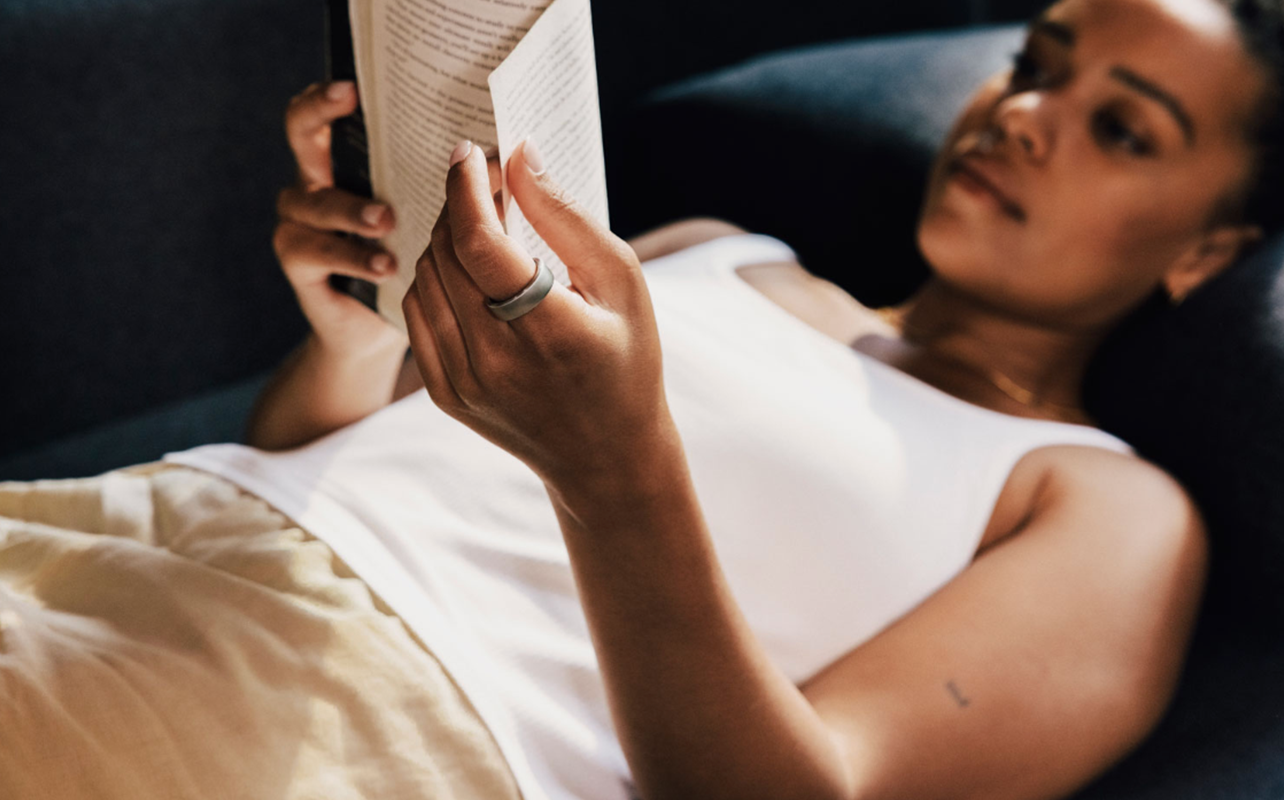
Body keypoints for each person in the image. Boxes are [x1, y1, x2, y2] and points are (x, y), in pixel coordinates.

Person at [0, 0, 1278, 798]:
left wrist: (615, 467)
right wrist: (350, 340)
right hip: (132, 542)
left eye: (1127, 130)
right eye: (1033, 64)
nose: (1029, 117)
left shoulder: (1106, 503)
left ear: (1207, 250)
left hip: (360, 722)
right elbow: (305, 455)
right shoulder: (721, 248)